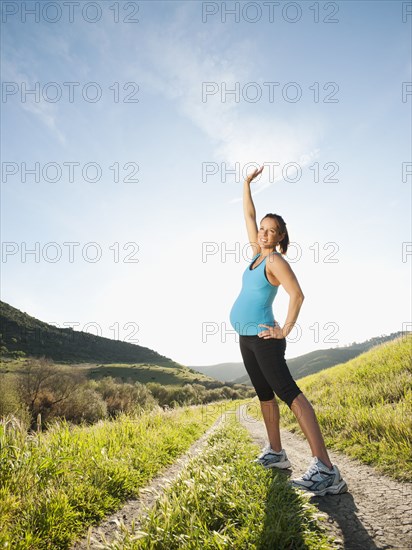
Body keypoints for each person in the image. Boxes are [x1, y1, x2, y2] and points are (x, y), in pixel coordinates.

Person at [229, 165, 347, 497]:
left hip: (265, 340)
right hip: (247, 339)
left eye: (272, 230)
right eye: (263, 229)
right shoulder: (255, 255)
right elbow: (249, 215)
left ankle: (326, 469)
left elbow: (298, 295)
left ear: (281, 236)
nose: (264, 233)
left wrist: (285, 331)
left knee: (291, 395)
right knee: (265, 397)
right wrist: (246, 184)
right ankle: (276, 454)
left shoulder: (275, 261)